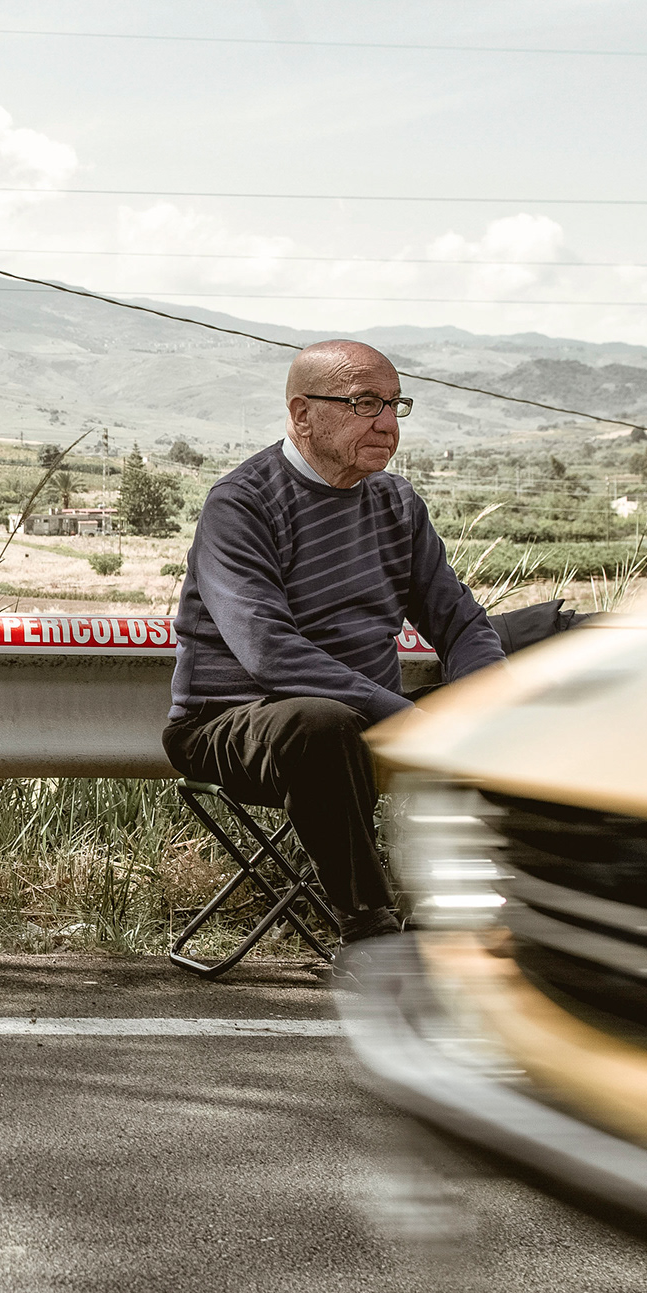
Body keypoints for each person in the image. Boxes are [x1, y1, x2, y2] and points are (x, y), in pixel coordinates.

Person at [164, 340, 505, 935]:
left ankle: (478, 918)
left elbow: (460, 622)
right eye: (365, 403)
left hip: (365, 724)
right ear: (303, 414)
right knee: (321, 723)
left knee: (531, 699)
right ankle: (370, 929)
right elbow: (270, 653)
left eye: (395, 404)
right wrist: (404, 717)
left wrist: (489, 703)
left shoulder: (397, 504)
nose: (387, 423)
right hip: (235, 726)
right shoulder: (242, 504)